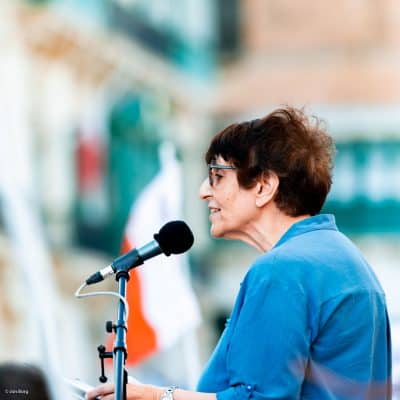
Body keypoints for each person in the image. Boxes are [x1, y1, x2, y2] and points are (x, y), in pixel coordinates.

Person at [87, 107, 392, 400]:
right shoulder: (349, 262)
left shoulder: (282, 270)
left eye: (217, 176)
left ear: (263, 186)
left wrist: (156, 396)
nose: (204, 191)